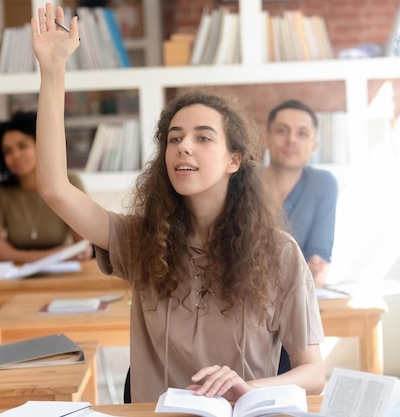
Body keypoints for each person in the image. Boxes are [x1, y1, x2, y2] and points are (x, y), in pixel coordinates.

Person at [31, 3, 325, 403]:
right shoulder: (141, 240)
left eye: (203, 138)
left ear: (233, 160)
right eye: (174, 138)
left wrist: (248, 388)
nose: (183, 146)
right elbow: (53, 188)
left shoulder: (280, 254)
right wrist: (53, 71)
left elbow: (313, 372)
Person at [0, 110, 92, 263]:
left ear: (40, 145)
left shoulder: (69, 183)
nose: (15, 155)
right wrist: (61, 253)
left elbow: (83, 249)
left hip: (64, 276)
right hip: (16, 280)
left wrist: (12, 254)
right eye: (8, 151)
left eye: (22, 146)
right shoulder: (0, 192)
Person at [262, 100, 338, 288]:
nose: (292, 140)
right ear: (267, 138)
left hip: (298, 295)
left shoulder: (323, 184)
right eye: (282, 130)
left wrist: (317, 266)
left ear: (314, 145)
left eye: (302, 133)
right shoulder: (242, 182)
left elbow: (318, 254)